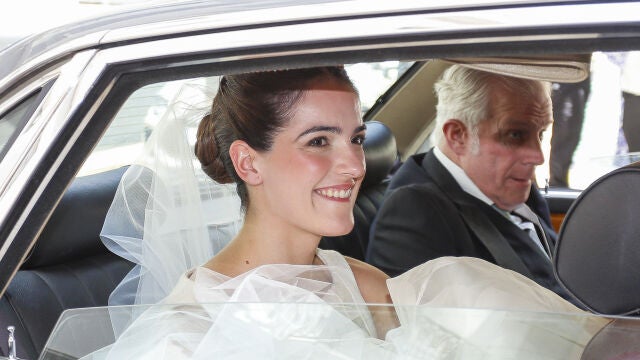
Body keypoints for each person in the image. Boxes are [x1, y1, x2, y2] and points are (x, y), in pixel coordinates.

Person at [87, 66, 606, 359]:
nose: (353, 164)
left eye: (355, 139)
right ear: (248, 162)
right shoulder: (183, 335)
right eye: (319, 141)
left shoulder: (363, 282)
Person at [366, 64, 574, 303]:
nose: (538, 156)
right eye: (516, 135)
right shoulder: (412, 213)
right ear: (458, 136)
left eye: (540, 134)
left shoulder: (513, 187)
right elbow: (424, 333)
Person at [549, 77, 591, 187]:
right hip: (566, 75)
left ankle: (558, 183)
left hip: (574, 76)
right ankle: (557, 184)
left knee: (568, 136)